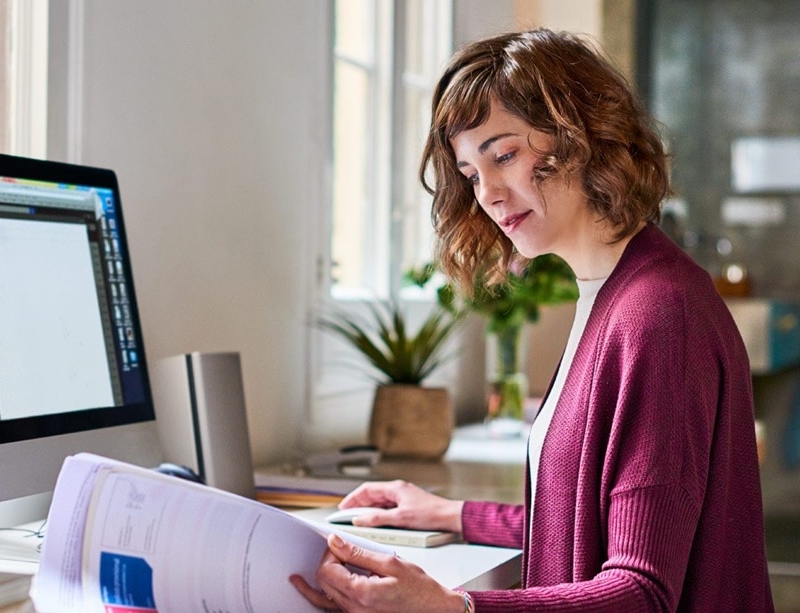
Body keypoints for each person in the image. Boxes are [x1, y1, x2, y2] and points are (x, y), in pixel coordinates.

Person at [290, 29, 773, 612]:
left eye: (505, 156)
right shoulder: (612, 290)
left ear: (584, 135)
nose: (488, 193)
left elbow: (644, 594)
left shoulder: (659, 315)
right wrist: (450, 514)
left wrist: (451, 609)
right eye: (470, 173)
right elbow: (589, 520)